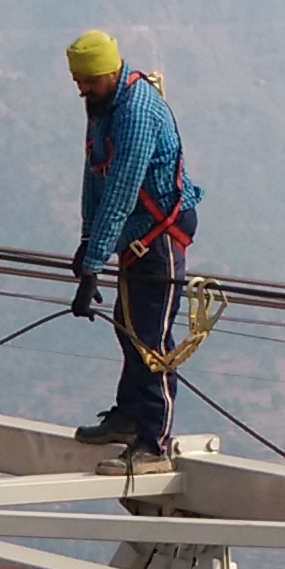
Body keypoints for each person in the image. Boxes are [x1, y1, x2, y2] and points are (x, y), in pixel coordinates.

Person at [61, 29, 197, 460]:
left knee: (151, 339)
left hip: (158, 236)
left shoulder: (136, 113)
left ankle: (154, 441)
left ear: (107, 71)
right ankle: (128, 416)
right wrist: (88, 244)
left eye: (87, 80)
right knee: (130, 325)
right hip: (135, 235)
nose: (81, 89)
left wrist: (95, 263)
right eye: (77, 81)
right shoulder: (102, 106)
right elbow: (93, 176)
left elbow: (121, 190)